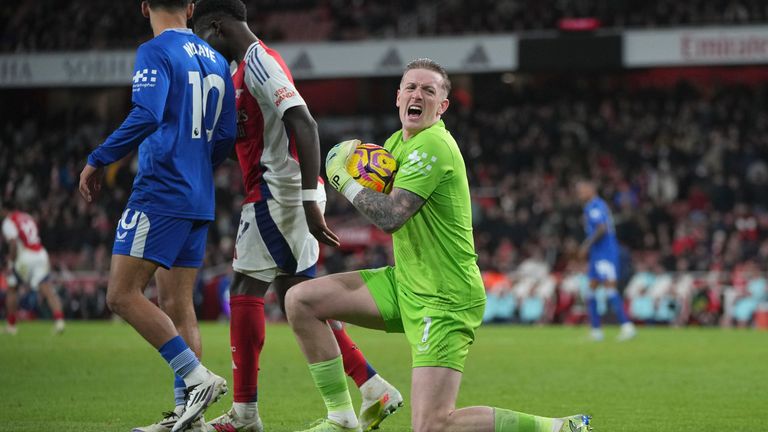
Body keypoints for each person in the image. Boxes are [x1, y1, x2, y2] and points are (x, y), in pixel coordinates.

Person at [284, 58, 592, 432]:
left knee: (432, 425)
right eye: (411, 87)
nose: (418, 95)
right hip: (406, 284)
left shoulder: (434, 147)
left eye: (429, 91)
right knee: (301, 301)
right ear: (398, 97)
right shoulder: (397, 142)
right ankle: (344, 416)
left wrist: (344, 181)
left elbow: (391, 216)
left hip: (444, 296)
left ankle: (558, 428)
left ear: (442, 106)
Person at [191, 1, 402, 431]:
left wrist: (307, 198)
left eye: (201, 35)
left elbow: (304, 123)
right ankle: (371, 385)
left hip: (279, 194)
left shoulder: (259, 61)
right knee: (300, 296)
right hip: (276, 192)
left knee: (245, 288)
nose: (201, 46)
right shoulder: (242, 69)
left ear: (217, 25)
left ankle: (248, 414)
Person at [78, 1, 236, 431]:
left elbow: (146, 112)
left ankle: (197, 378)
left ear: (144, 7)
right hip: (198, 195)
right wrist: (197, 165)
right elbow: (225, 135)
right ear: (190, 6)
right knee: (177, 304)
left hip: (161, 191)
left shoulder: (155, 50)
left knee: (121, 295)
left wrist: (99, 158)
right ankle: (190, 419)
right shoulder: (219, 60)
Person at [576, 179, 636, 342]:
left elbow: (601, 228)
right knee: (590, 291)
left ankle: (627, 326)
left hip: (605, 254)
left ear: (590, 189)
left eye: (581, 191)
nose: (579, 194)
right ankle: (596, 331)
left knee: (610, 289)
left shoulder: (595, 206)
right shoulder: (594, 206)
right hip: (598, 255)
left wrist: (586, 245)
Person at [1, 201, 65, 335]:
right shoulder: (27, 217)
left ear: (5, 210)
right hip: (40, 254)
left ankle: (12, 326)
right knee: (47, 289)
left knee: (12, 288)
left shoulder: (8, 221)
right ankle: (59, 322)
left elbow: (13, 243)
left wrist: (11, 263)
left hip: (25, 256)